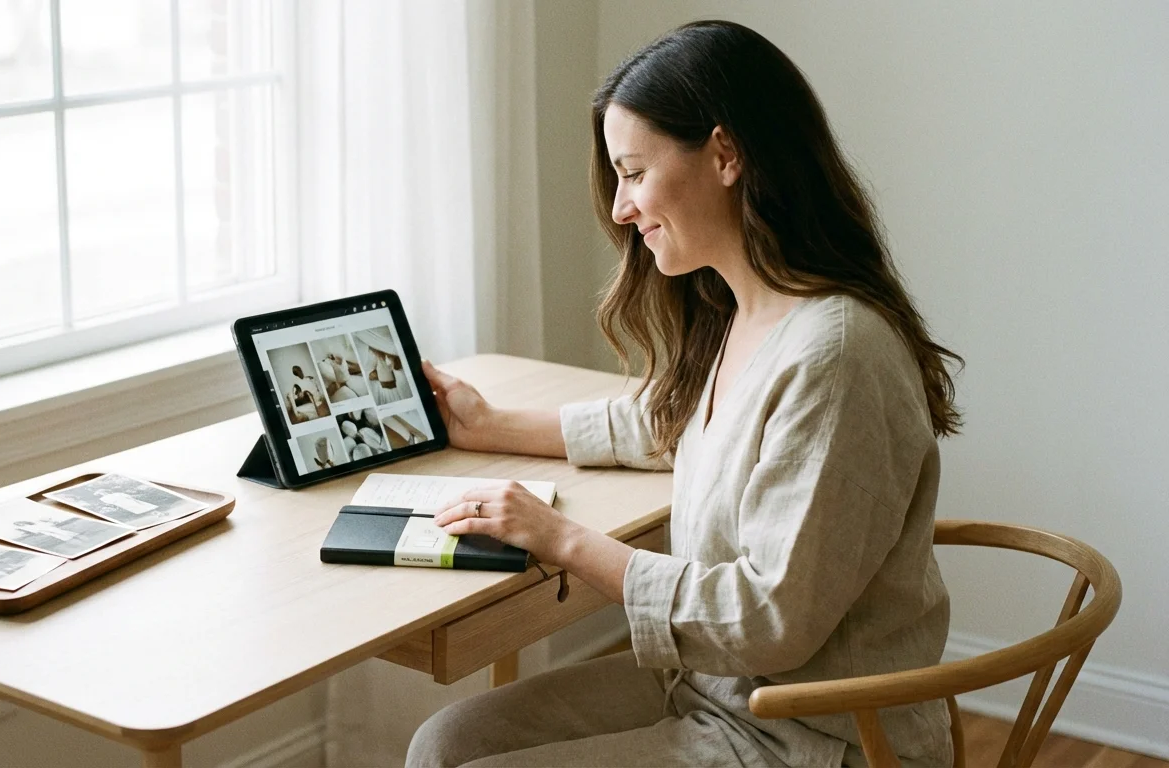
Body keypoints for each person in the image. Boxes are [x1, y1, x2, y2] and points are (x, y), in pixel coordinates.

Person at [408, 20, 962, 768]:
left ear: (726, 155)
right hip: (715, 690)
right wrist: (490, 425)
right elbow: (664, 423)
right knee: (445, 743)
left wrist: (561, 539)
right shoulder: (753, 312)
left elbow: (768, 620)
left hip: (815, 736)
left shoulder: (836, 356)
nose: (620, 209)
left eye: (634, 173)